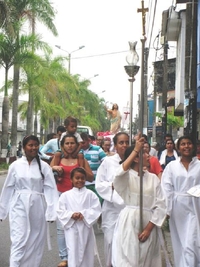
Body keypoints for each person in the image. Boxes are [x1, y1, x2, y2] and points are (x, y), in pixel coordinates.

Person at [0, 135, 59, 267]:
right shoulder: (15, 166)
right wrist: (2, 211)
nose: (33, 148)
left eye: (36, 145)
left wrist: (51, 211)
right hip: (19, 204)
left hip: (38, 206)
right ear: (24, 147)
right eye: (30, 145)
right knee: (18, 239)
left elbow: (50, 189)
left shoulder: (44, 166)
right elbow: (8, 188)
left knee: (35, 240)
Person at [112, 143, 166, 267]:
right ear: (136, 158)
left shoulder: (153, 179)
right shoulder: (126, 176)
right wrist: (135, 150)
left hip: (149, 221)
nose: (149, 156)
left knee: (146, 258)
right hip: (129, 221)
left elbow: (161, 205)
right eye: (144, 153)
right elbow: (118, 174)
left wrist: (148, 228)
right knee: (128, 258)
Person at [51, 134, 94, 267]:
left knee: (77, 227)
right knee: (61, 227)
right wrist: (54, 168)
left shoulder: (80, 158)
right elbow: (47, 172)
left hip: (78, 197)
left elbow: (91, 177)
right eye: (67, 143)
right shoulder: (57, 157)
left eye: (72, 143)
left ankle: (77, 255)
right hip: (61, 194)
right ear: (62, 145)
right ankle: (64, 257)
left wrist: (80, 172)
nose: (70, 146)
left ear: (77, 145)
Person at [96, 132, 134, 267]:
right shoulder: (108, 162)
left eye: (126, 142)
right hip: (112, 209)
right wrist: (112, 186)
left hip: (129, 208)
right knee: (111, 240)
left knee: (127, 242)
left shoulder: (135, 161)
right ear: (115, 145)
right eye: (121, 143)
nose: (124, 145)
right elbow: (99, 184)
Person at [161, 135, 200, 267]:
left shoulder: (199, 166)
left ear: (193, 146)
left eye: (189, 143)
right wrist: (166, 209)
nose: (186, 146)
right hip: (178, 208)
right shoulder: (172, 166)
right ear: (178, 148)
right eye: (183, 144)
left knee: (192, 242)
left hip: (196, 207)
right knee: (181, 242)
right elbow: (166, 188)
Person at [57, 167, 101, 267]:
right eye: (77, 178)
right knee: (73, 250)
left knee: (87, 251)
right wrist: (71, 215)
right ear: (71, 179)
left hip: (86, 227)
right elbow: (60, 210)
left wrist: (83, 214)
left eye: (82, 178)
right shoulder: (65, 195)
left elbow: (96, 209)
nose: (80, 180)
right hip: (72, 228)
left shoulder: (90, 195)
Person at [80, 132, 106, 205]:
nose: (82, 144)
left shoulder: (97, 149)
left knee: (97, 204)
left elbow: (105, 162)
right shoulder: (77, 151)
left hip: (95, 183)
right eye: (80, 143)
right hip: (82, 184)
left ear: (88, 140)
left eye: (83, 142)